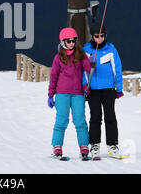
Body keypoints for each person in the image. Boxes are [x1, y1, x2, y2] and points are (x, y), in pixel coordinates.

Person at [47, 27, 92, 159]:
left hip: (78, 93)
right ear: (63, 42)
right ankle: (57, 146)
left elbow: (88, 69)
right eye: (68, 41)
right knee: (61, 120)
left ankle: (84, 146)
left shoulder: (81, 54)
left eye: (73, 40)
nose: (71, 43)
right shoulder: (58, 58)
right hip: (62, 93)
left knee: (80, 120)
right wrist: (51, 94)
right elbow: (54, 76)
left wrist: (91, 63)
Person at [82, 22, 123, 159]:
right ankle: (94, 145)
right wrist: (84, 85)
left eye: (102, 36)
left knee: (110, 116)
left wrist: (119, 88)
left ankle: (112, 145)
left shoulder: (111, 49)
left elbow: (116, 69)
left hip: (109, 89)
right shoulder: (86, 50)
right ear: (92, 36)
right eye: (97, 36)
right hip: (92, 89)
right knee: (95, 117)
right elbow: (82, 71)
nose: (100, 39)